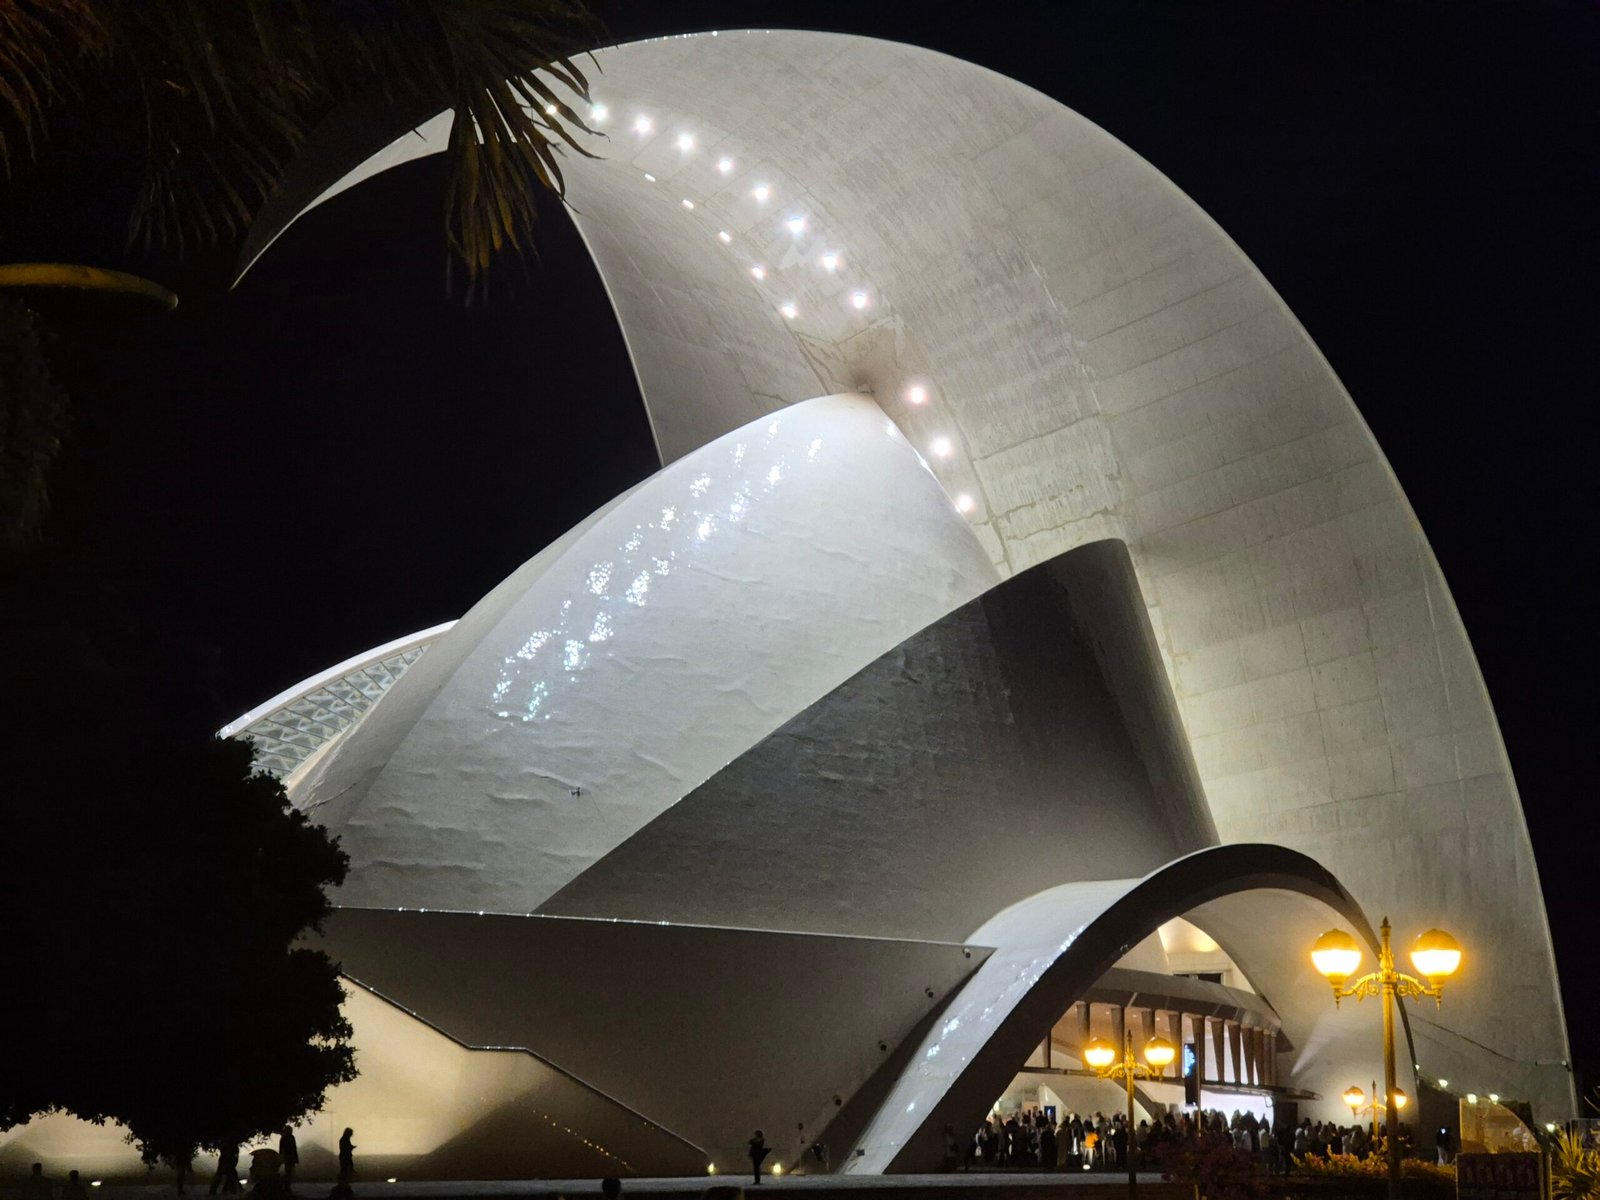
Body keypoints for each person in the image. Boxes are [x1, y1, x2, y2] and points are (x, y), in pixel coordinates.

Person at [279, 1128, 300, 1193]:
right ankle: (286, 1186)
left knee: (289, 1172)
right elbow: (293, 1148)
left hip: (289, 1157)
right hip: (289, 1157)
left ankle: (286, 1186)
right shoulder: (287, 1138)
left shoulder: (285, 1137)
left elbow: (293, 1148)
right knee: (289, 1172)